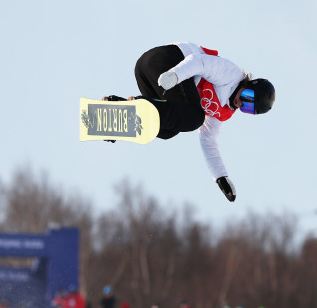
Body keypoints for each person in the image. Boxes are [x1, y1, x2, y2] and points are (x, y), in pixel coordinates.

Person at [105, 42, 276, 202]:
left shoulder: (224, 111)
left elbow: (208, 139)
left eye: (248, 108)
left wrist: (221, 177)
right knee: (194, 117)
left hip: (153, 74)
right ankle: (136, 107)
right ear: (248, 85)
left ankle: (119, 112)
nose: (242, 104)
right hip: (166, 61)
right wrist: (175, 75)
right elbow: (199, 61)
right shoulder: (231, 74)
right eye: (248, 97)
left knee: (167, 130)